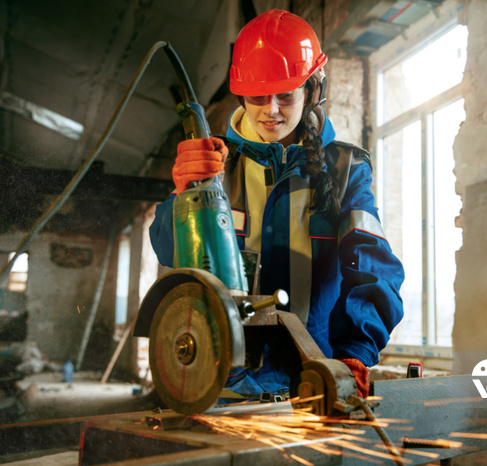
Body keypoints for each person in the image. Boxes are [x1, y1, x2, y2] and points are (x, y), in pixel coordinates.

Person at [149, 9, 404, 399]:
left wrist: (354, 353)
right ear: (240, 93)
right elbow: (170, 251)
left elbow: (372, 267)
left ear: (312, 90)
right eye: (257, 96)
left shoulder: (346, 170)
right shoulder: (213, 166)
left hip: (317, 380)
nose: (271, 109)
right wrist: (185, 195)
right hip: (222, 381)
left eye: (285, 94)